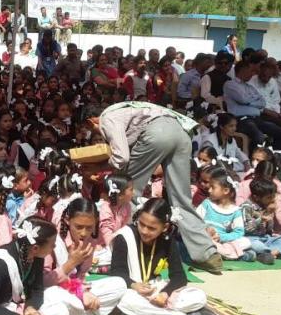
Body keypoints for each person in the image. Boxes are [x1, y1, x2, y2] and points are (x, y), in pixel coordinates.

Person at [83, 102, 222, 274]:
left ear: (91, 121)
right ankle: (207, 254)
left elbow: (121, 158)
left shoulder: (107, 117)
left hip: (158, 134)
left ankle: (124, 252)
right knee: (181, 199)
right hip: (181, 131)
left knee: (128, 194)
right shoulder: (125, 108)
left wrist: (95, 167)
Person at [110, 198, 216, 315]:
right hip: (131, 290)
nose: (144, 231)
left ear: (164, 227)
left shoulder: (167, 240)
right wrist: (134, 285)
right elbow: (116, 273)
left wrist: (165, 294)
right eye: (141, 224)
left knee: (199, 297)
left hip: (155, 290)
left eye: (151, 228)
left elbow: (179, 276)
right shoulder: (125, 236)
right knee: (127, 301)